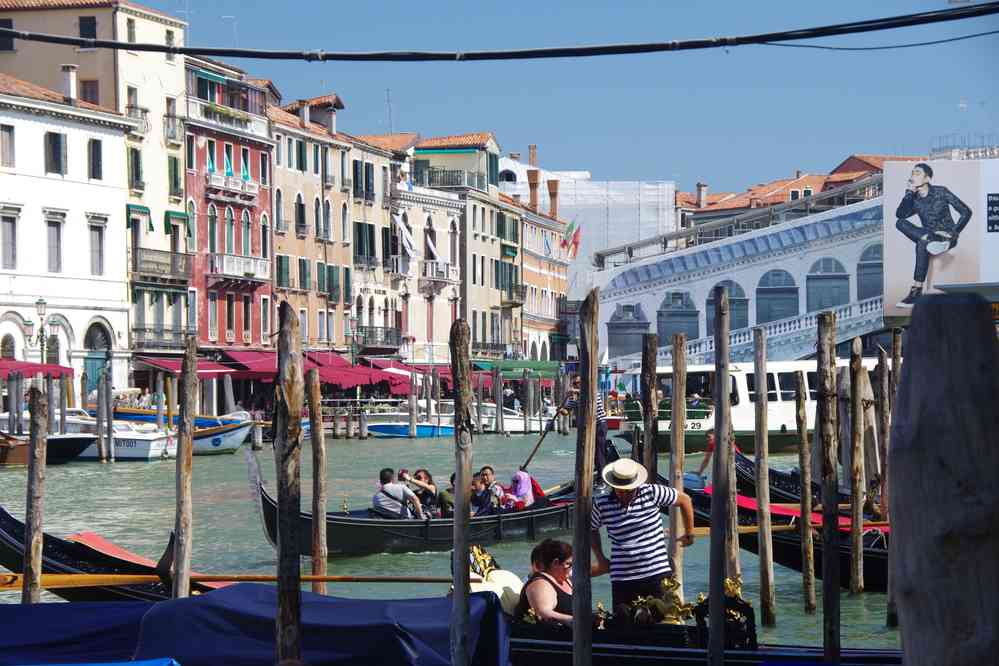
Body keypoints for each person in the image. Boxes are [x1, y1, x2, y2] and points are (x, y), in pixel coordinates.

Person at [590, 458, 695, 609]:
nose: (624, 496)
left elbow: (685, 500)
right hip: (622, 577)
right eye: (620, 491)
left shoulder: (652, 492)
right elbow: (591, 528)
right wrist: (600, 558)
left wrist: (689, 532)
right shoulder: (602, 503)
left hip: (656, 572)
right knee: (624, 624)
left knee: (662, 621)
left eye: (629, 491)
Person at [894, 162, 973, 307]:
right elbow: (900, 214)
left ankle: (916, 291)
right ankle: (928, 238)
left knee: (922, 242)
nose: (913, 176)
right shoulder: (914, 198)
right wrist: (908, 194)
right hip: (928, 236)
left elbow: (966, 211)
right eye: (912, 173)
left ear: (927, 178)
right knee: (901, 223)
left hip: (945, 237)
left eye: (917, 173)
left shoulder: (941, 191)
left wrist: (953, 233)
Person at [514, 539, 574, 626]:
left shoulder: (565, 580)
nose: (571, 567)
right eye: (568, 564)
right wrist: (577, 621)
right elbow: (543, 613)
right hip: (545, 637)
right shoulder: (540, 584)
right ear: (555, 563)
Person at [570, 375, 619, 472]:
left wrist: (575, 391)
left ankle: (601, 476)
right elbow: (567, 408)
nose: (576, 386)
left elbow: (588, 396)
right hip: (587, 427)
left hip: (599, 424)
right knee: (587, 450)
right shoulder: (576, 398)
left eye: (577, 383)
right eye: (574, 384)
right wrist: (562, 409)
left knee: (598, 450)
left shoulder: (593, 392)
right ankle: (595, 471)